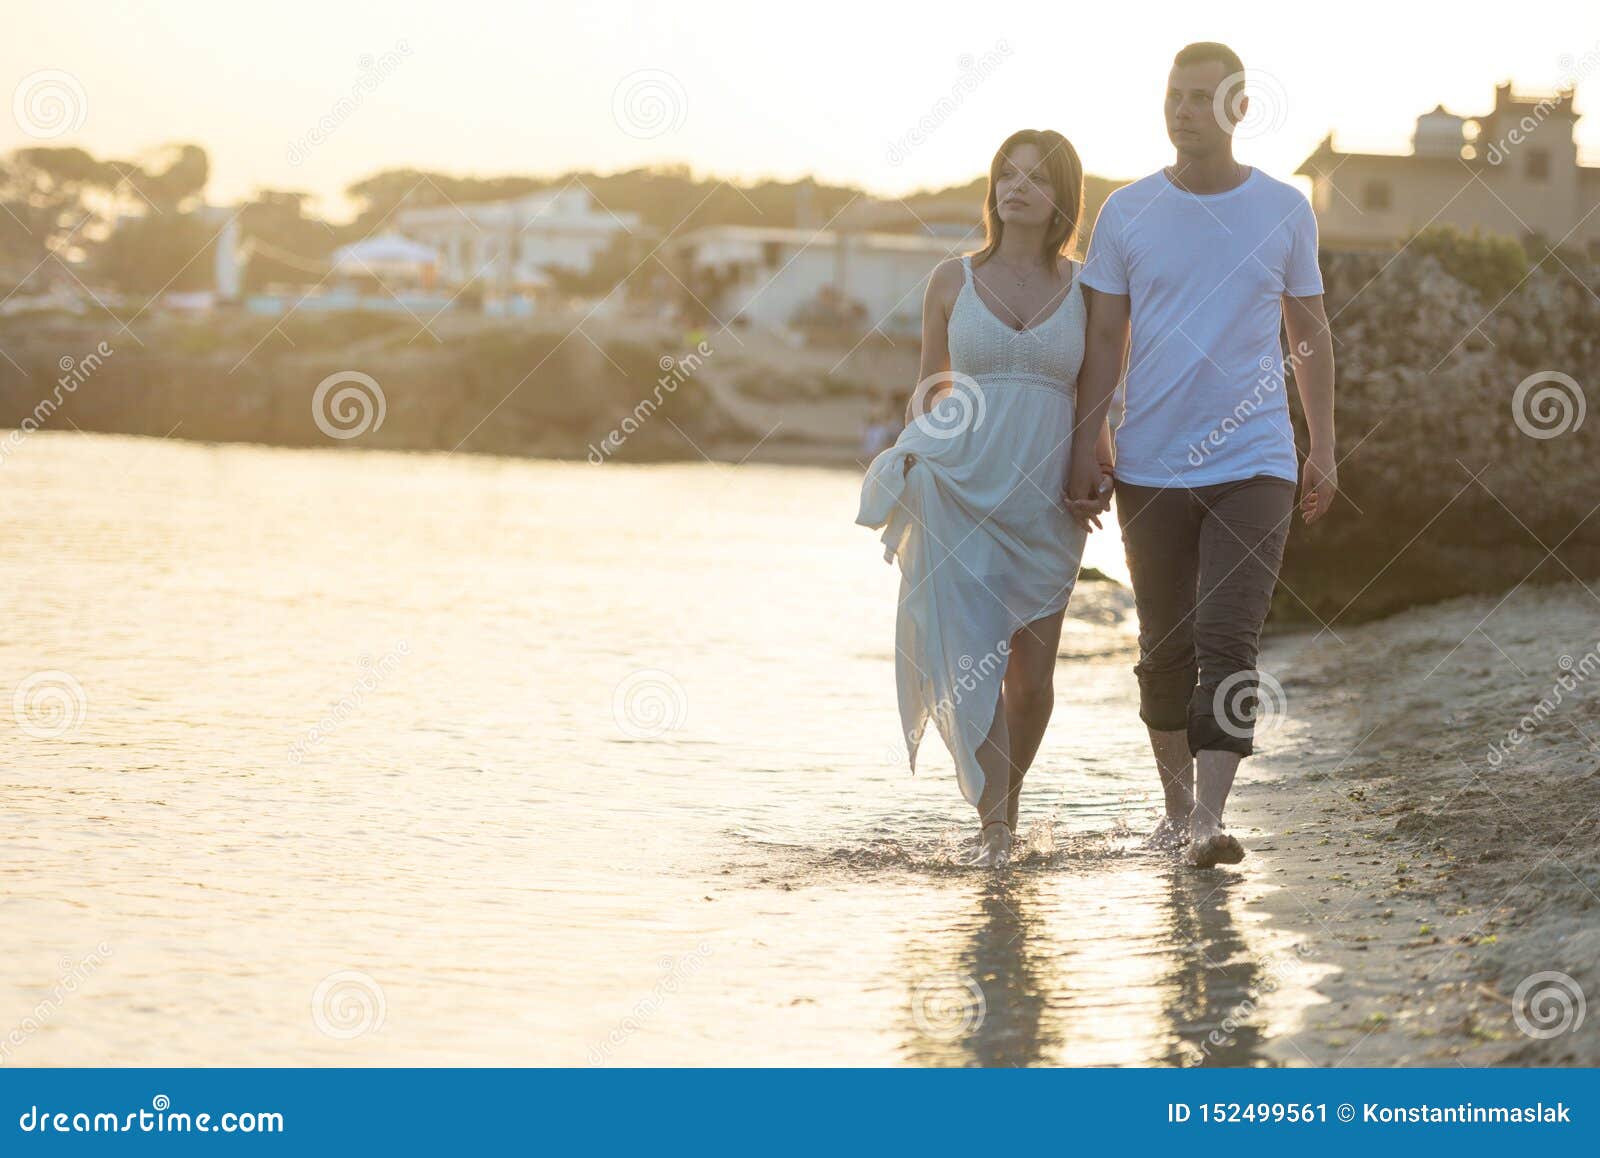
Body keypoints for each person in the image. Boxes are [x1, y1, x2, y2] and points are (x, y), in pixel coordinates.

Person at [1065, 42, 1338, 869]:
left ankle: (1210, 820)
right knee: (1166, 648)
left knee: (1229, 638)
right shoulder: (1126, 211)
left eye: (1200, 98)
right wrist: (1090, 441)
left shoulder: (1285, 209)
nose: (1183, 110)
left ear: (1238, 109)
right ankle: (1176, 813)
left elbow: (1310, 334)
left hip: (1257, 459)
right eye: (1174, 96)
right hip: (1150, 462)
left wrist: (1321, 445)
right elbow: (1103, 336)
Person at [857, 129, 1114, 868]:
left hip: (1046, 497)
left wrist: (1097, 463)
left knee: (1032, 677)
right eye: (1007, 174)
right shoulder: (950, 280)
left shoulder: (1089, 287)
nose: (1016, 188)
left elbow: (1099, 391)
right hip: (961, 487)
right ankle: (996, 829)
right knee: (972, 656)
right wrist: (917, 452)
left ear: (1062, 195)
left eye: (1035, 178)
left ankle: (1007, 805)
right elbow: (932, 388)